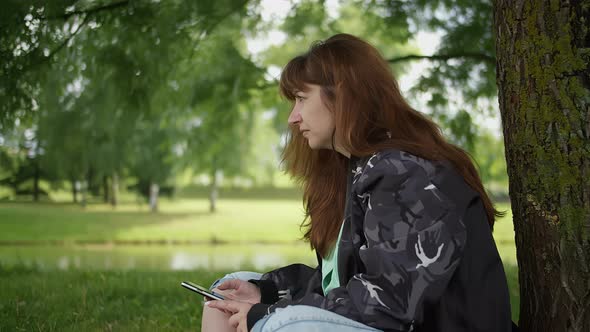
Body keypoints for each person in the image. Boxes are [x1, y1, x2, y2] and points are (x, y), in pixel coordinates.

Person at [201, 33, 513, 332]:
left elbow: (387, 303)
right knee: (227, 294)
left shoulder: (404, 174)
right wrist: (268, 293)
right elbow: (338, 286)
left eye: (300, 99)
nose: (292, 118)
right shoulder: (355, 171)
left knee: (285, 325)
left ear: (341, 95)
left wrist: (269, 313)